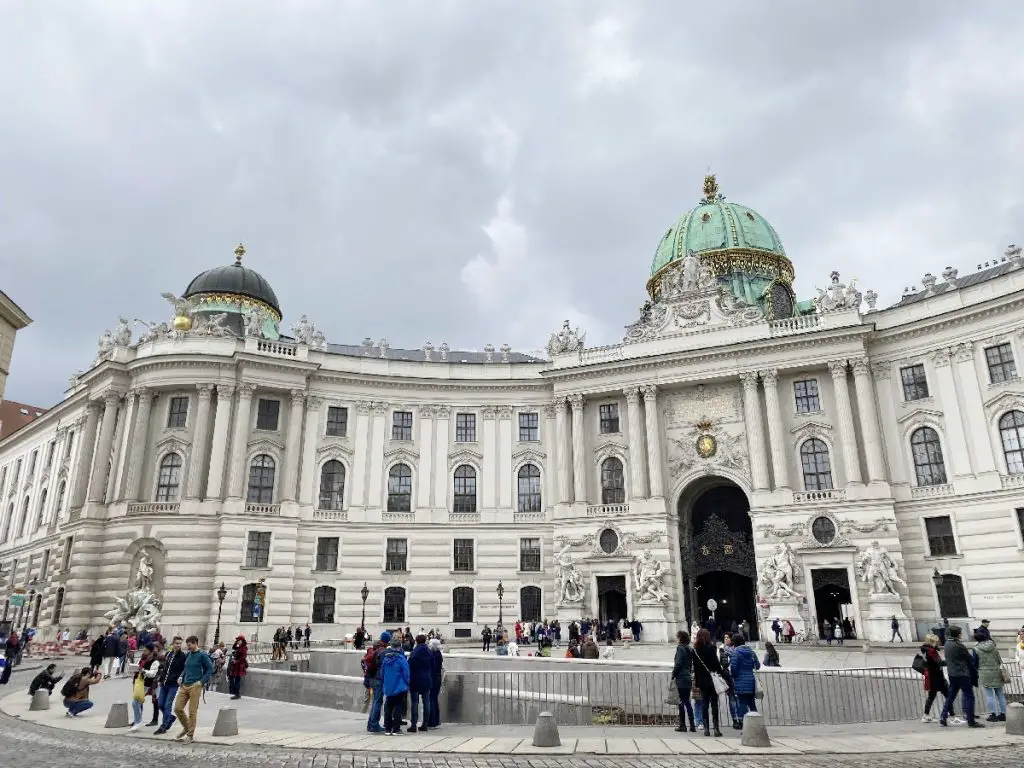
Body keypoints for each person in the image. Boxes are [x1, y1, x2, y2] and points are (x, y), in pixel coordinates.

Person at [172, 635, 214, 744]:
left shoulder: (202, 655)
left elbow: (210, 669)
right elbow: (186, 668)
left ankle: (190, 735)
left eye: (189, 645)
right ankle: (186, 727)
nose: (188, 647)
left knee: (192, 712)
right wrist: (181, 676)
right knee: (177, 708)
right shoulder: (189, 655)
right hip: (184, 685)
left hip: (195, 686)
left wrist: (201, 682)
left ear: (195, 643)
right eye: (187, 646)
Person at [940, 626, 983, 728]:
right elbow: (969, 659)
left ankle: (943, 716)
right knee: (969, 696)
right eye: (960, 633)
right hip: (962, 674)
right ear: (958, 634)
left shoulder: (947, 644)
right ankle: (971, 720)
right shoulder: (959, 646)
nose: (961, 634)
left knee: (951, 696)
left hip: (952, 674)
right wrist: (974, 672)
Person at [692, 628, 723, 737]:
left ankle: (706, 728)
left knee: (704, 704)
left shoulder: (695, 650)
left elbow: (695, 668)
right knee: (714, 704)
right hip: (712, 680)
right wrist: (721, 674)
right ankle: (716, 728)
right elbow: (716, 665)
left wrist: (697, 682)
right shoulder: (711, 648)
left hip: (702, 681)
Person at [380, 633, 410, 735]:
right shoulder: (401, 659)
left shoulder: (385, 659)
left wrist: (385, 682)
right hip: (399, 687)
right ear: (399, 646)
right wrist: (407, 683)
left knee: (388, 707)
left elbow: (382, 673)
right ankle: (396, 729)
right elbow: (406, 673)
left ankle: (388, 729)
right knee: (398, 707)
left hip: (388, 687)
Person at [973, 630, 1007, 722]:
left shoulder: (976, 649)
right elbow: (999, 660)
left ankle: (993, 714)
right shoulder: (994, 646)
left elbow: (975, 663)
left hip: (984, 673)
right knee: (1000, 694)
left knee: (989, 695)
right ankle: (1003, 713)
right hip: (996, 671)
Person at [154, 636, 185, 735]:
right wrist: (160, 679)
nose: (178, 645)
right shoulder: (169, 654)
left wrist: (180, 678)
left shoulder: (182, 656)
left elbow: (184, 669)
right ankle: (170, 718)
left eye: (180, 643)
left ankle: (164, 726)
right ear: (173, 644)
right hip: (164, 683)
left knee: (168, 705)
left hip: (173, 684)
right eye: (177, 643)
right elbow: (165, 668)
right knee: (160, 704)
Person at [729, 633, 760, 725]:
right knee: (752, 704)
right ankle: (756, 723)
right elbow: (757, 666)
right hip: (751, 680)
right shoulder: (751, 651)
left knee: (742, 703)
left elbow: (734, 669)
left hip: (740, 681)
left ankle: (746, 725)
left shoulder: (736, 653)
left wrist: (734, 676)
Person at [130, 646, 160, 731]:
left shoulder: (155, 661)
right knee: (137, 702)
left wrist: (143, 671)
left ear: (150, 651)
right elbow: (138, 667)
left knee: (136, 702)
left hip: (147, 684)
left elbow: (153, 673)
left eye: (146, 650)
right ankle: (137, 721)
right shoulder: (142, 658)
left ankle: (138, 721)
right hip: (139, 682)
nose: (144, 651)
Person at [920, 633, 949, 723]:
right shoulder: (931, 651)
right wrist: (950, 661)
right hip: (937, 677)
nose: (938, 643)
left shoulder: (925, 650)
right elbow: (939, 663)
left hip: (932, 677)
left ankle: (926, 715)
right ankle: (952, 716)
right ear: (932, 642)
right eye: (937, 642)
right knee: (949, 695)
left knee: (931, 696)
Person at [671, 631, 696, 733]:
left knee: (681, 702)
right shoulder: (689, 649)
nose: (676, 639)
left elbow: (678, 663)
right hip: (688, 677)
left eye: (677, 637)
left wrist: (673, 674)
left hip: (681, 677)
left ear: (680, 638)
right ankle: (692, 725)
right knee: (687, 702)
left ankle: (682, 725)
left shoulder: (680, 648)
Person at [407, 634, 432, 732]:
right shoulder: (430, 652)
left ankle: (414, 725)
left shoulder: (414, 652)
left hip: (415, 679)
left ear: (416, 641)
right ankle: (425, 724)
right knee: (426, 702)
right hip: (427, 679)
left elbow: (409, 665)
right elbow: (432, 665)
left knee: (414, 703)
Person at [363, 633, 387, 733]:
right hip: (378, 679)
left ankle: (370, 724)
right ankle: (374, 725)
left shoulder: (371, 651)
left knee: (374, 702)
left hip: (371, 678)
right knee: (378, 702)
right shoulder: (382, 652)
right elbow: (383, 666)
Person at [428, 637, 443, 728]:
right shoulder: (439, 654)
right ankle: (436, 720)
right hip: (437, 678)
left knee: (431, 699)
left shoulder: (433, 655)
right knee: (434, 699)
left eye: (430, 644)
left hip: (433, 678)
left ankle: (432, 721)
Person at [227, 635, 248, 700]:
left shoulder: (244, 647)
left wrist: (236, 661)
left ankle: (237, 694)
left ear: (242, 641)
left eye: (239, 640)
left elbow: (243, 657)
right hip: (236, 665)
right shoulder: (240, 647)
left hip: (240, 665)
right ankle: (236, 693)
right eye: (237, 640)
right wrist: (236, 642)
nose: (238, 642)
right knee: (234, 678)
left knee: (237, 680)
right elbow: (234, 647)